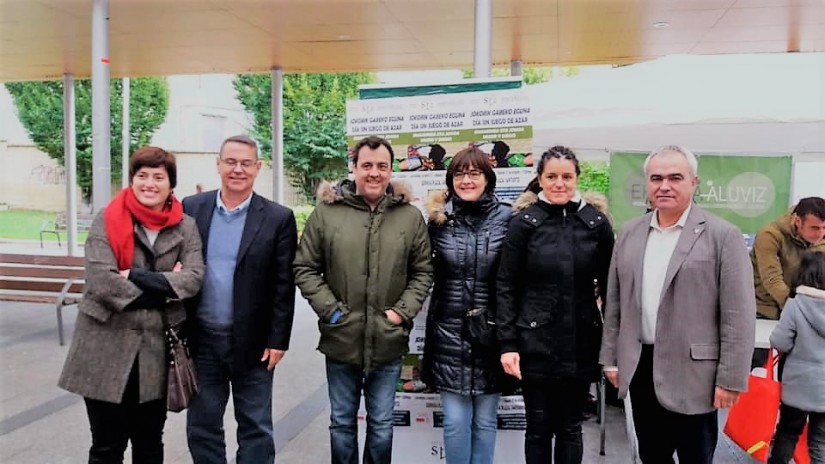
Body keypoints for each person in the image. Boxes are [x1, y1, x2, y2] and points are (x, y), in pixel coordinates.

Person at [599, 145, 756, 463]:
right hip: (642, 367)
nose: (664, 185)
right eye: (656, 178)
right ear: (647, 183)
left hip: (696, 374)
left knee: (695, 457)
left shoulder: (722, 235)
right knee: (651, 455)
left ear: (694, 182)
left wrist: (730, 377)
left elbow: (738, 314)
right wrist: (611, 359)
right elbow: (616, 303)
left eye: (675, 177)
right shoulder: (630, 233)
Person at [58, 146, 205, 463]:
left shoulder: (186, 226)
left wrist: (135, 275)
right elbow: (102, 282)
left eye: (158, 177)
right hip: (103, 347)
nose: (149, 183)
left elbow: (193, 279)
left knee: (149, 444)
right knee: (106, 446)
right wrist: (166, 286)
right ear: (132, 179)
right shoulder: (108, 218)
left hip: (156, 351)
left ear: (170, 184)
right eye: (142, 175)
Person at [294, 135, 433, 464]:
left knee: (382, 425)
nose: (374, 173)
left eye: (381, 166)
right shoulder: (327, 214)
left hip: (387, 339)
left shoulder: (408, 217)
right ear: (354, 168)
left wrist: (400, 314)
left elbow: (423, 272)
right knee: (341, 424)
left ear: (390, 171)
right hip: (341, 338)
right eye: (366, 165)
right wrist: (332, 313)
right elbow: (304, 267)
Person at [183, 135, 298, 464]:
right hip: (202, 339)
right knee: (203, 425)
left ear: (258, 168)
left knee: (256, 427)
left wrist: (279, 339)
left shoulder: (278, 218)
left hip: (255, 343)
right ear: (218, 164)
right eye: (230, 161)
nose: (237, 169)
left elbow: (283, 285)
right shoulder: (192, 208)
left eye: (246, 163)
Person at [496, 145, 614, 463]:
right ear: (540, 179)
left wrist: (611, 345)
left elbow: (612, 288)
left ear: (577, 178)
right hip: (534, 342)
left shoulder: (596, 224)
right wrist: (508, 344)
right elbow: (506, 286)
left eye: (566, 176)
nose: (559, 183)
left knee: (571, 428)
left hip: (581, 341)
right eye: (552, 176)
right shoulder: (523, 225)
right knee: (537, 428)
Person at [421, 147, 512, 464]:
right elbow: (419, 272)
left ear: (488, 178)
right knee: (457, 424)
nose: (467, 180)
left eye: (474, 173)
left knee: (486, 422)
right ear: (450, 180)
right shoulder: (438, 221)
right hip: (449, 334)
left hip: (491, 336)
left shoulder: (508, 218)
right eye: (459, 173)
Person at [768, 250, 825, 463]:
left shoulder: (796, 304)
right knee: (820, 441)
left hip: (798, 385)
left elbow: (780, 342)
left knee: (788, 433)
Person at [752, 196, 825, 320]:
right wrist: (797, 310)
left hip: (808, 314)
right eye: (814, 228)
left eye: (824, 228)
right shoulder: (769, 236)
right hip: (767, 312)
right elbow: (772, 280)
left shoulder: (821, 237)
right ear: (798, 221)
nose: (820, 234)